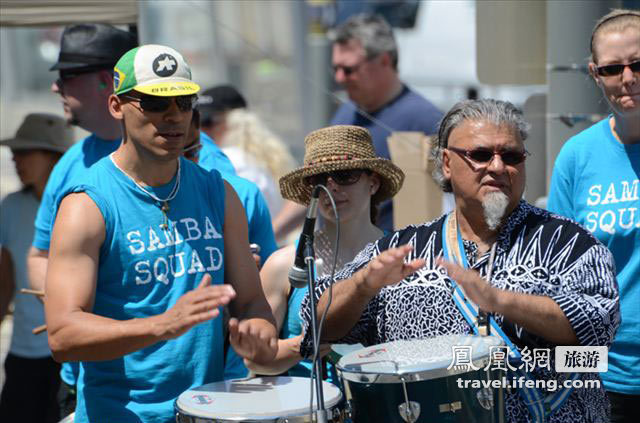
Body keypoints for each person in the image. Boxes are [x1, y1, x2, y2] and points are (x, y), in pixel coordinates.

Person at [300, 99, 620, 422]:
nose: (497, 167)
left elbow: (599, 328)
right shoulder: (402, 248)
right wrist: (362, 286)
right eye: (481, 155)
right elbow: (316, 322)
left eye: (511, 156)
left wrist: (502, 301)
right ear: (447, 163)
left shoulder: (568, 243)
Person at [44, 44, 277, 423]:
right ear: (117, 106)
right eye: (154, 103)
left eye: (185, 103)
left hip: (208, 411)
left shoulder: (219, 193)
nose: (173, 116)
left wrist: (257, 331)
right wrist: (161, 325)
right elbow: (62, 334)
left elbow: (251, 301)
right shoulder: (86, 205)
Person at [25, 24, 138, 417]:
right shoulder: (70, 165)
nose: (56, 87)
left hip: (178, 389)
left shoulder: (195, 160)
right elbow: (39, 256)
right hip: (84, 382)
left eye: (67, 76)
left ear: (107, 81)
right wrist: (63, 303)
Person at [245, 125, 404, 377]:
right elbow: (257, 362)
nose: (331, 188)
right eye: (319, 181)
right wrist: (308, 343)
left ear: (373, 183)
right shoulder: (283, 265)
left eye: (344, 175)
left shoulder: (399, 257)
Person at [547, 10, 639, 423]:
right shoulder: (577, 157)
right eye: (612, 68)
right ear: (594, 73)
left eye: (638, 64)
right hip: (605, 376)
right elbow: (559, 275)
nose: (628, 78)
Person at [328, 13, 443, 232]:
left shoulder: (426, 121)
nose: (339, 79)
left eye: (349, 69)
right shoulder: (345, 114)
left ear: (384, 60)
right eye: (335, 69)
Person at [0, 113, 75, 423]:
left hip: (69, 353)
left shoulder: (80, 205)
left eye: (26, 151)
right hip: (22, 351)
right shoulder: (11, 206)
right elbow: (5, 276)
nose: (16, 159)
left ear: (54, 156)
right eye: (14, 152)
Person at [198, 85, 305, 244]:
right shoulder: (263, 159)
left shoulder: (232, 161)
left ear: (235, 123)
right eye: (196, 122)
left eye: (207, 122)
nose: (200, 130)